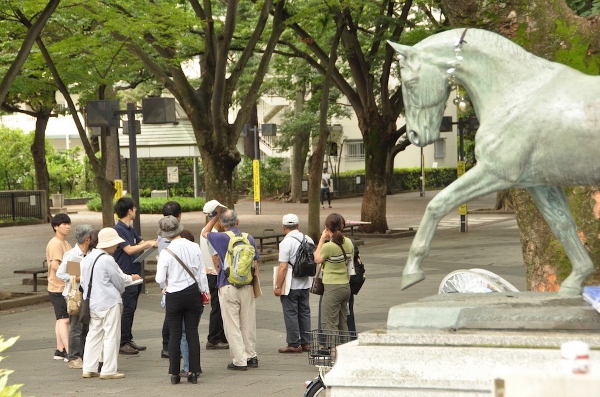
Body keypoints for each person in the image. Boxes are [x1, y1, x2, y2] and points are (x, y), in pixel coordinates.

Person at [201, 206, 260, 371]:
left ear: (221, 223)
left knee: (232, 324)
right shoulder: (250, 238)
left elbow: (204, 232)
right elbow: (255, 264)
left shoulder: (220, 237)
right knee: (248, 322)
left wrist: (215, 217)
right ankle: (252, 356)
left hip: (227, 285)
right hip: (247, 286)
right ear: (238, 222)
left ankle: (239, 360)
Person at [80, 228, 141, 380]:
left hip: (92, 302)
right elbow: (119, 281)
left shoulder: (87, 258)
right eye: (115, 244)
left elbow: (83, 281)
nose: (116, 246)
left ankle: (88, 367)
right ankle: (108, 370)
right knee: (111, 336)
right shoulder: (107, 260)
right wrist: (128, 282)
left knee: (94, 335)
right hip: (109, 301)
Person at [155, 216, 208, 385]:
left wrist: (165, 283)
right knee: (192, 332)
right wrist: (205, 291)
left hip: (174, 295)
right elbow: (201, 273)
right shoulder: (194, 247)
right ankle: (193, 371)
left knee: (175, 334)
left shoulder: (166, 252)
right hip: (193, 293)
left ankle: (175, 373)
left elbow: (159, 278)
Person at [112, 197, 157, 355]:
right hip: (126, 274)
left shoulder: (129, 228)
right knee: (128, 308)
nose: (136, 211)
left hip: (135, 272)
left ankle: (128, 338)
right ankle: (123, 341)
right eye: (134, 208)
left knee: (131, 307)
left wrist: (150, 242)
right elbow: (129, 250)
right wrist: (148, 244)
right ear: (129, 210)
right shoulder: (118, 229)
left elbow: (140, 241)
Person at [56, 224, 94, 369]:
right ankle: (74, 356)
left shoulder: (91, 253)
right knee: (76, 327)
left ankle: (84, 354)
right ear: (87, 239)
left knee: (86, 325)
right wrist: (76, 278)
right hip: (75, 294)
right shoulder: (72, 255)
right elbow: (60, 273)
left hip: (87, 294)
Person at [273, 214, 312, 353]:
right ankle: (306, 342)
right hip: (306, 282)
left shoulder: (286, 242)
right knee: (304, 312)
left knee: (290, 313)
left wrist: (278, 286)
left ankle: (294, 344)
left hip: (291, 284)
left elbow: (283, 267)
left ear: (284, 227)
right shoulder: (308, 239)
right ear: (298, 225)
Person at [314, 213, 353, 346]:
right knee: (343, 322)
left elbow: (317, 258)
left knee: (329, 323)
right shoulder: (348, 242)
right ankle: (345, 353)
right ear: (342, 226)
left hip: (332, 288)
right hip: (345, 287)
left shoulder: (328, 246)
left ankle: (334, 354)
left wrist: (321, 239)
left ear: (326, 227)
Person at [157, 201, 183, 359]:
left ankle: (168, 345)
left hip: (167, 280)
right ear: (179, 216)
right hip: (171, 281)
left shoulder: (160, 231)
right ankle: (167, 346)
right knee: (171, 316)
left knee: (171, 314)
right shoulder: (175, 236)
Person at [201, 200, 228, 350]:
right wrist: (222, 275)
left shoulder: (204, 232)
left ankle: (219, 336)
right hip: (215, 274)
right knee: (218, 307)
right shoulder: (214, 235)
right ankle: (214, 338)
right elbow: (215, 257)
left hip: (209, 273)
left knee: (217, 307)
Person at [46, 213, 72, 362]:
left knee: (60, 319)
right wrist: (71, 274)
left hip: (60, 286)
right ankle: (69, 351)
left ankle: (60, 350)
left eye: (68, 223)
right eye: (64, 224)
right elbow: (55, 265)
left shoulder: (65, 243)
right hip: (58, 287)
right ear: (56, 227)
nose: (68, 226)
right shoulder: (56, 243)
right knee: (64, 319)